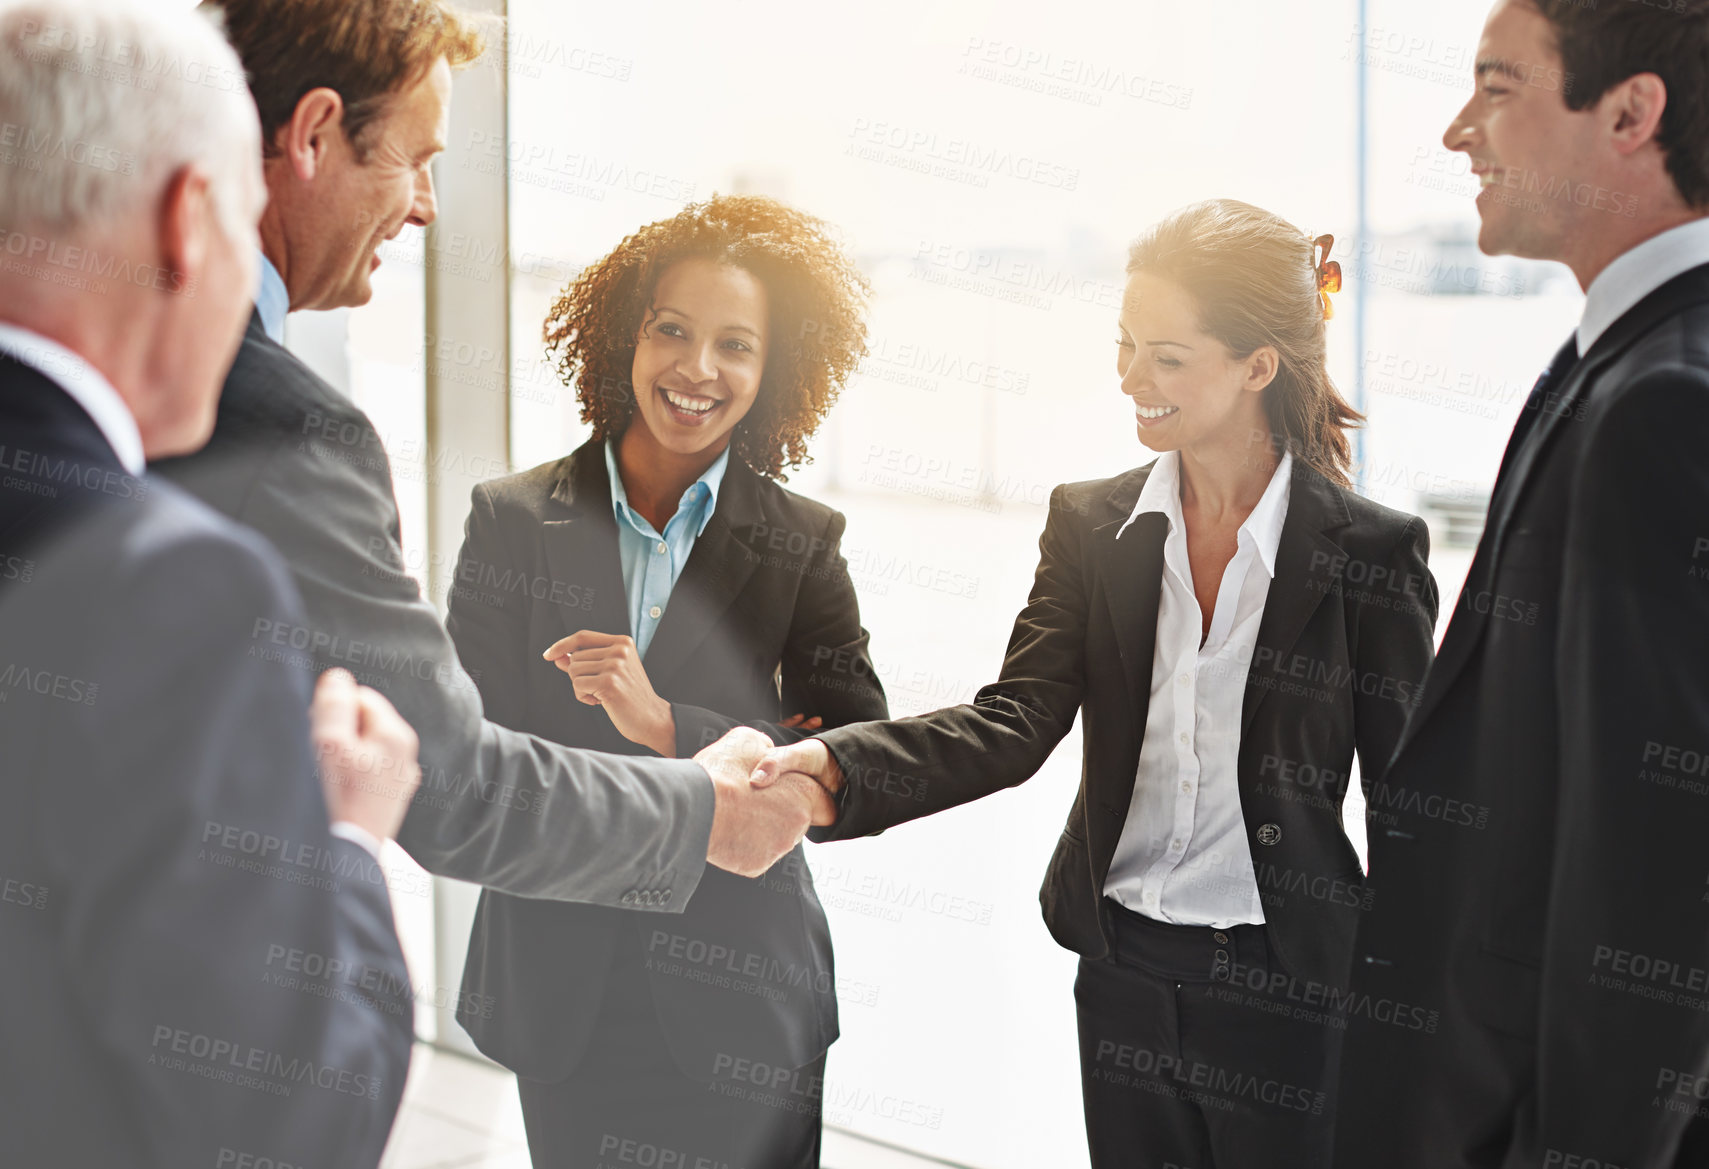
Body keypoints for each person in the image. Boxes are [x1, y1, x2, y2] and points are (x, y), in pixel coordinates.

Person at [757, 200, 1439, 1168]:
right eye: (1124, 343)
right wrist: (834, 764)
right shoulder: (1091, 524)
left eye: (1165, 355)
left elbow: (1415, 806)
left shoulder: (1370, 553)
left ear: (1257, 365)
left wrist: (1430, 1027)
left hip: (1288, 992)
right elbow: (1013, 719)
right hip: (1119, 979)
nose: (1128, 377)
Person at [152, 0, 832, 916]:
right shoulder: (291, 427)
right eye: (415, 159)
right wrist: (702, 807)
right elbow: (452, 776)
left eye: (738, 345)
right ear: (313, 134)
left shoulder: (121, 345)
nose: (425, 207)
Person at [0, 3, 420, 1166]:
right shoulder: (171, 589)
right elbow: (293, 1122)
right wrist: (344, 837)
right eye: (246, 217)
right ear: (190, 219)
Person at [1331, 2, 1709, 1165]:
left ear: (1629, 114)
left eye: (1496, 87)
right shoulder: (1618, 359)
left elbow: (1655, 875)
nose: (1458, 131)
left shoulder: (1662, 399)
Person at [445, 193, 887, 1169]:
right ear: (621, 339)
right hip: (564, 990)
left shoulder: (798, 540)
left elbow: (852, 744)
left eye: (736, 344)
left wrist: (668, 725)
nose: (697, 368)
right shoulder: (512, 519)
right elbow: (470, 747)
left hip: (745, 998)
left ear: (771, 372)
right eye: (671, 331)